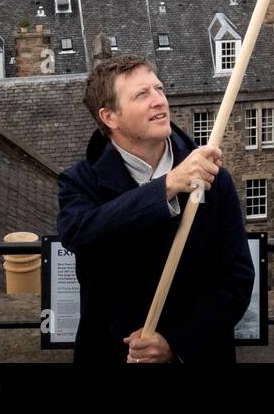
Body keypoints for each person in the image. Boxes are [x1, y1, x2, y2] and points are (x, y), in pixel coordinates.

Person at [58, 56, 255, 363]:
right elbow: (79, 233)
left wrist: (175, 342)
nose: (159, 100)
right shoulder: (80, 183)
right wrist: (166, 187)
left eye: (159, 89)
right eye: (142, 94)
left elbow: (237, 279)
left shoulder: (214, 180)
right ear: (110, 116)